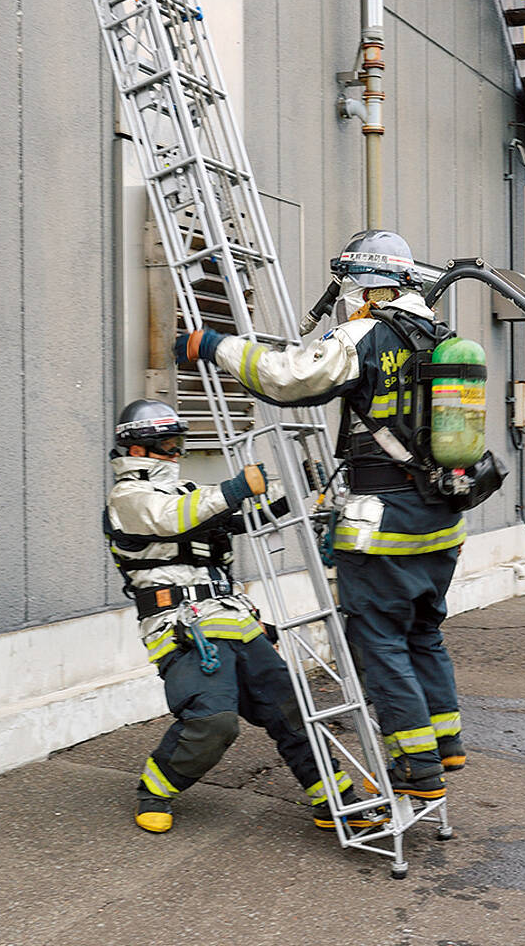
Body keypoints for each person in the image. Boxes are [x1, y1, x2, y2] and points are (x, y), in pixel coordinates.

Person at [175, 229, 466, 802]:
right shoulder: (440, 335)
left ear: (365, 285)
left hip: (387, 522)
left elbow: (287, 377)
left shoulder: (366, 334)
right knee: (424, 632)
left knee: (380, 639)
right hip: (444, 520)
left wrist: (214, 346)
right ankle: (447, 741)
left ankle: (418, 769)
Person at [104, 399, 384, 833]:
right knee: (213, 720)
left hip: (235, 620)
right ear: (136, 451)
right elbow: (171, 519)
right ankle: (155, 789)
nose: (177, 454)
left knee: (293, 708)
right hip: (182, 627)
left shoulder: (187, 493)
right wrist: (234, 488)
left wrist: (295, 492)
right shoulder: (128, 499)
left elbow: (243, 519)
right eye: (169, 444)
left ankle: (334, 799)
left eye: (180, 443)